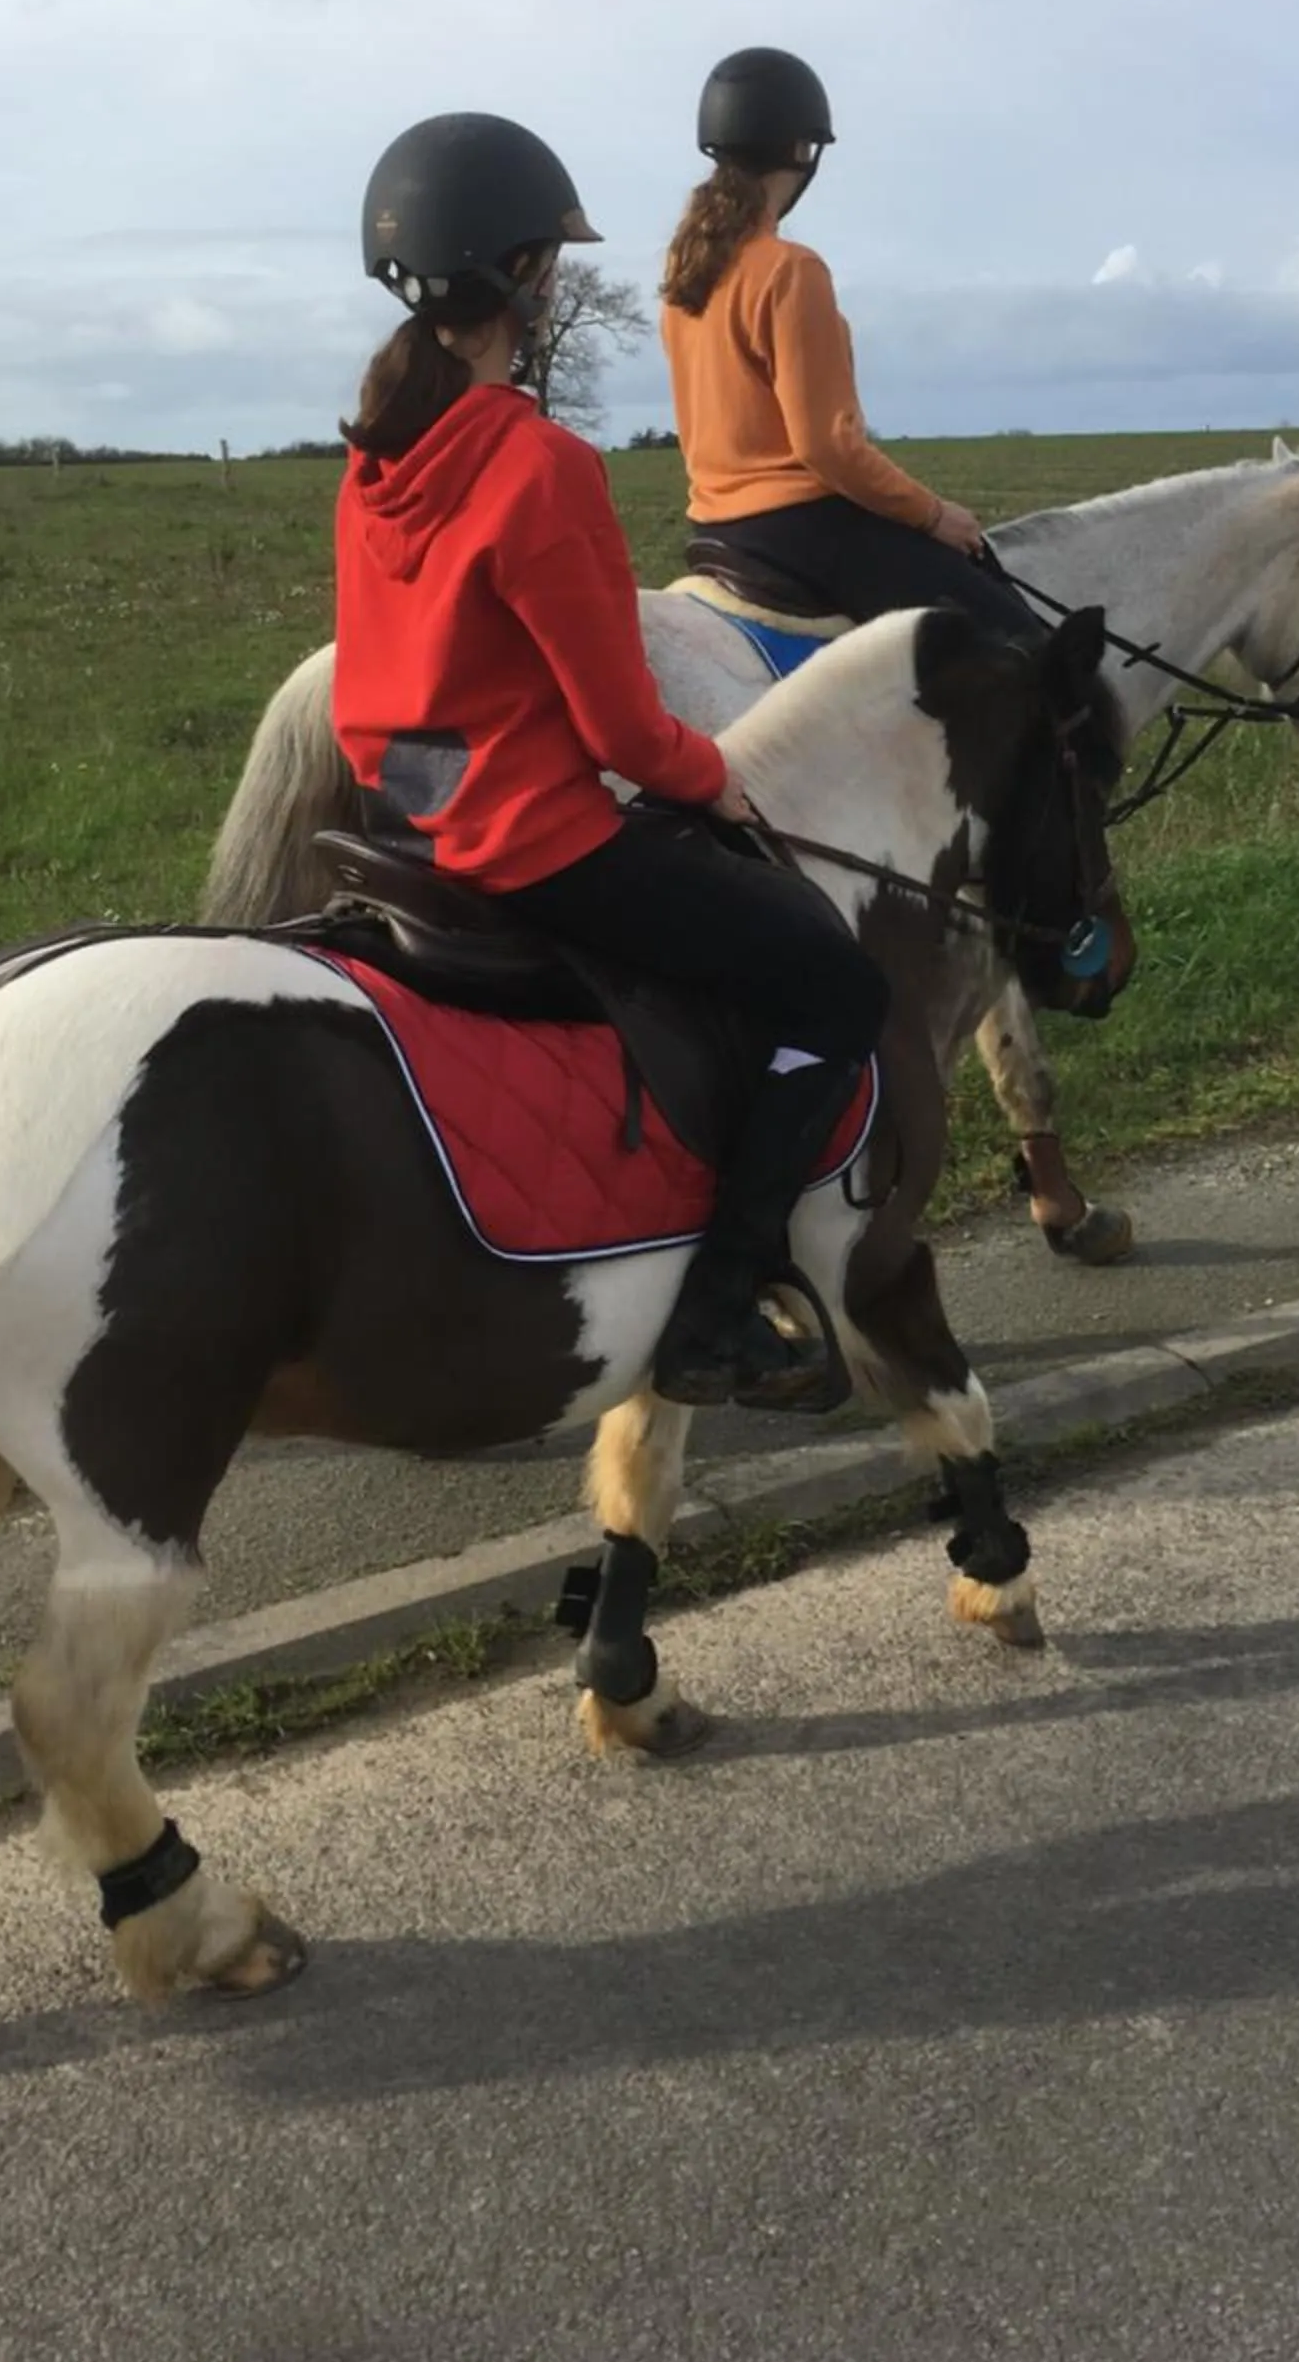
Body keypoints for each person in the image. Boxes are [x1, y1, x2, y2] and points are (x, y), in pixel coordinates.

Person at [335, 111, 888, 1413]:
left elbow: (382, 680)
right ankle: (722, 1305)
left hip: (398, 816)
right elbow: (618, 734)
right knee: (833, 992)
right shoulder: (543, 468)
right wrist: (716, 779)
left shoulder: (374, 458)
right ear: (528, 278)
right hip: (532, 843)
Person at [658, 47, 1046, 644]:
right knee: (1029, 652)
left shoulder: (687, 277)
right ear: (802, 150)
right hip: (805, 529)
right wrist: (935, 515)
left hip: (715, 524)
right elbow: (828, 445)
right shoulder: (791, 269)